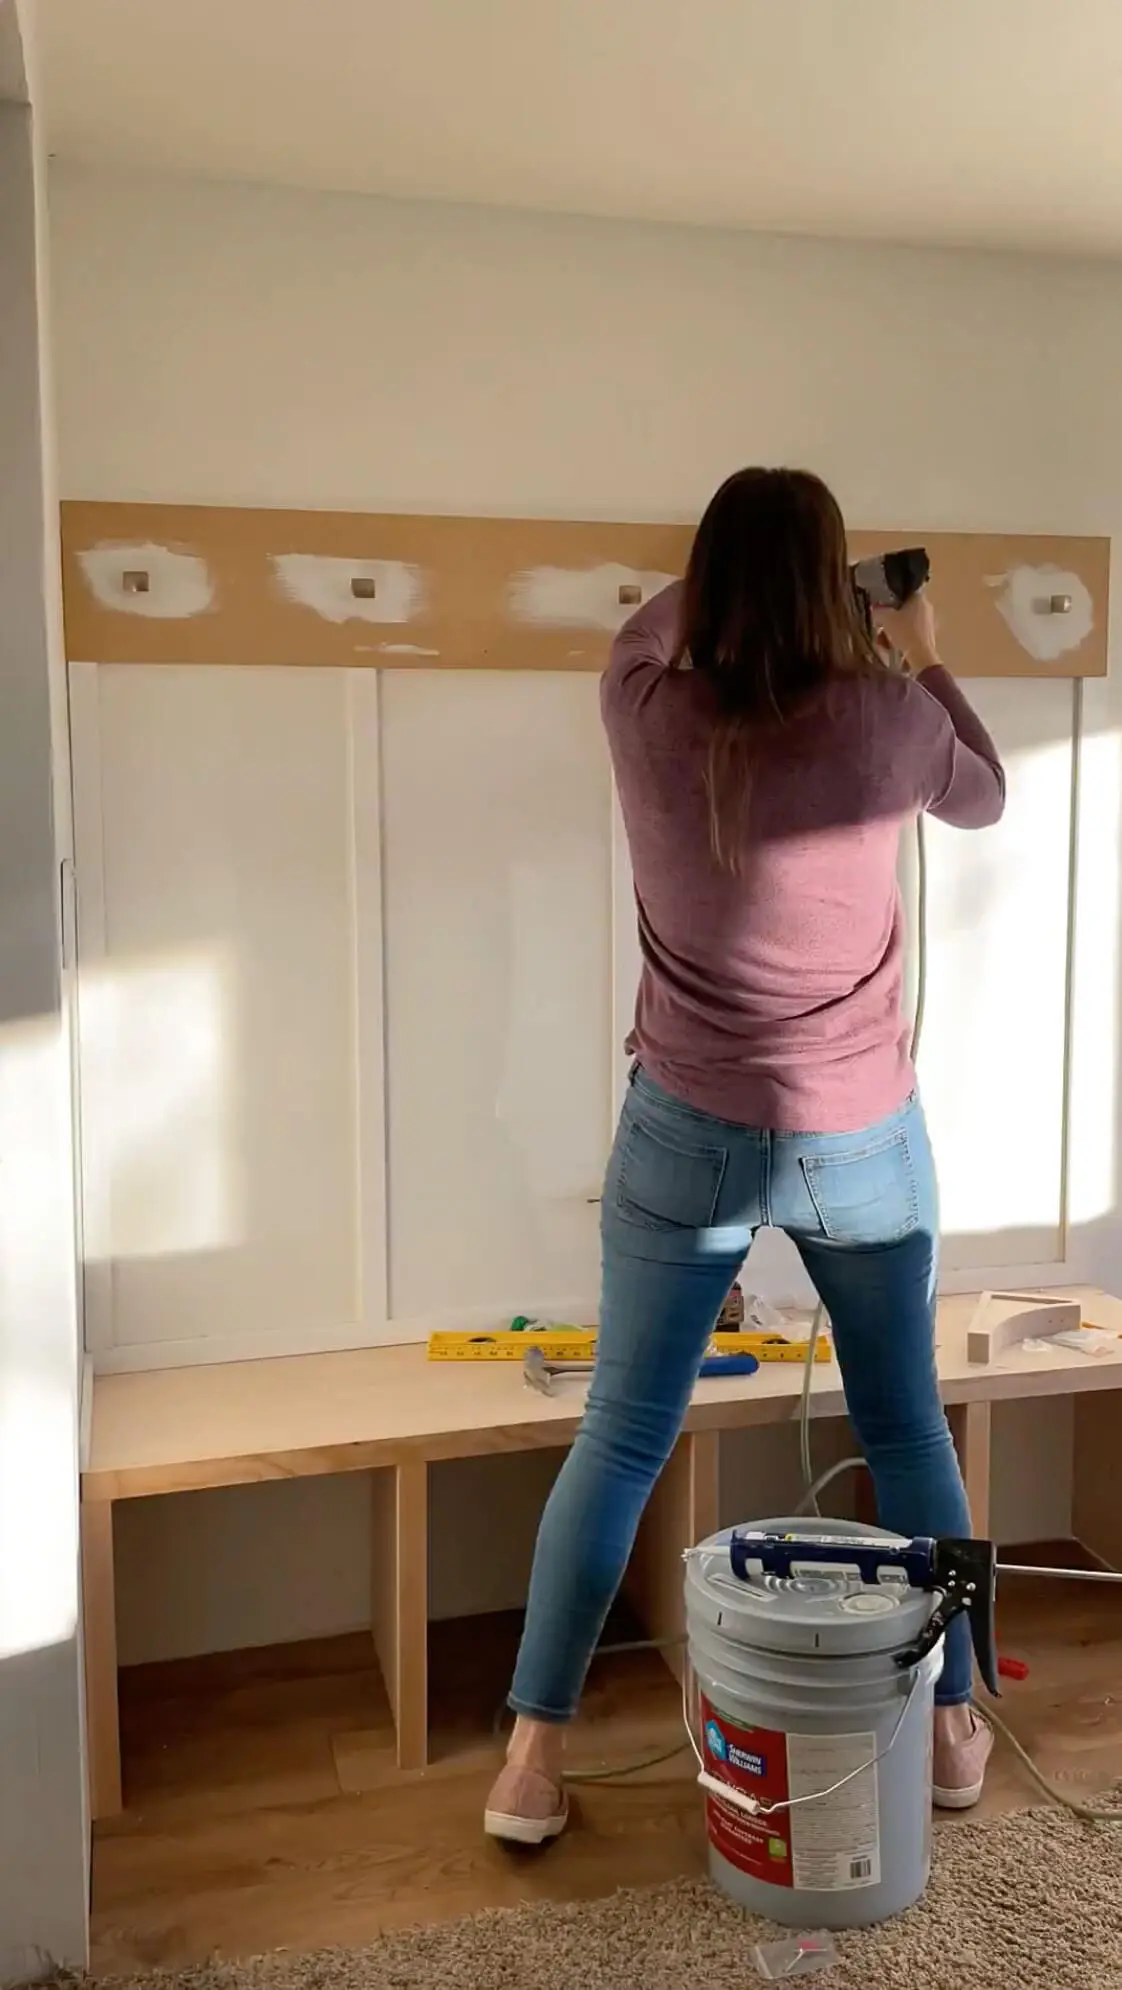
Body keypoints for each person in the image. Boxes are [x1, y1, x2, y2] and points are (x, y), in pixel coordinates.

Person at [484, 466, 1006, 1847]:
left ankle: (529, 1762)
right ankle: (953, 1727)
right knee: (903, 1429)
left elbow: (645, 631)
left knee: (620, 1437)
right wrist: (918, 642)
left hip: (684, 1129)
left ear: (708, 583)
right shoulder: (892, 719)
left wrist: (735, 593)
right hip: (857, 1138)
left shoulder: (645, 707)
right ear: (832, 581)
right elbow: (987, 795)